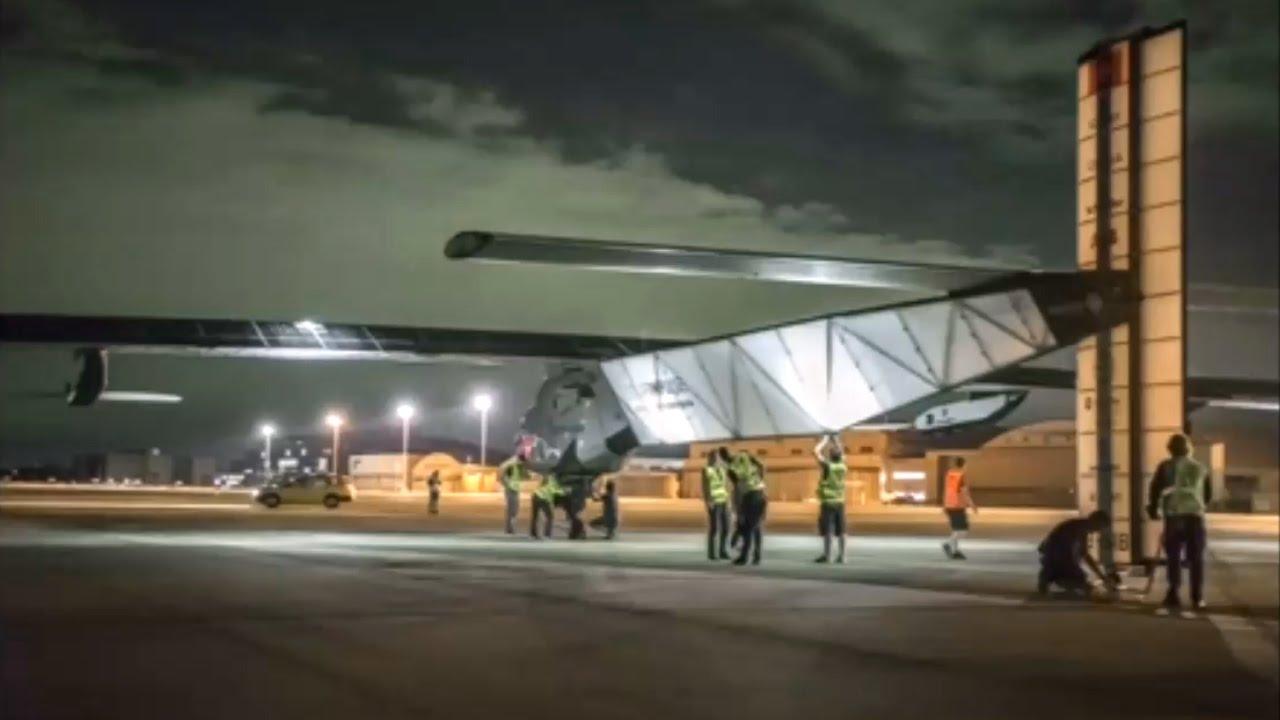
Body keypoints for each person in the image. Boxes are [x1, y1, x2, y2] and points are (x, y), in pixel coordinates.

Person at [1147, 433, 1212, 614]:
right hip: (1194, 516)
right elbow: (1208, 495)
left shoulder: (1165, 466)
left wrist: (1153, 509)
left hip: (1173, 516)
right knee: (1196, 558)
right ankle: (1197, 597)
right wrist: (1198, 506)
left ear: (1170, 449)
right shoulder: (1200, 468)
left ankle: (1173, 593)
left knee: (1173, 557)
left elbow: (1155, 489)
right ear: (1188, 448)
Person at [1037, 510, 1116, 596]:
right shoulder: (1079, 529)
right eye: (1099, 527)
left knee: (1081, 582)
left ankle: (1048, 579)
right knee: (1082, 583)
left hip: (1051, 560)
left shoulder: (1078, 526)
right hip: (1057, 561)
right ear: (1095, 522)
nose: (1098, 531)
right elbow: (1080, 554)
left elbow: (1084, 554)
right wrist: (1100, 577)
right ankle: (1053, 580)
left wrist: (1101, 577)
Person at [813, 434, 848, 564]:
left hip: (828, 502)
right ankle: (842, 556)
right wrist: (836, 439)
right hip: (840, 501)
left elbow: (815, 452)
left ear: (830, 456)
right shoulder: (843, 466)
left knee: (828, 530)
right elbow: (841, 451)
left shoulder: (828, 466)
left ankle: (827, 556)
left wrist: (825, 440)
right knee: (842, 530)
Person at [729, 449, 767, 566]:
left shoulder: (740, 478)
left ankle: (744, 557)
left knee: (748, 529)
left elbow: (740, 498)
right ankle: (757, 556)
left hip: (751, 498)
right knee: (756, 528)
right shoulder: (754, 470)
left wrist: (740, 514)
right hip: (761, 496)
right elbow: (762, 467)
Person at [941, 457, 977, 559]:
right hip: (957, 505)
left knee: (956, 530)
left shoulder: (949, 475)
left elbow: (946, 490)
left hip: (949, 505)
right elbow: (964, 492)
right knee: (963, 530)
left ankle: (955, 551)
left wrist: (944, 505)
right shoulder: (961, 476)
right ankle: (948, 544)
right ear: (963, 465)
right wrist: (972, 505)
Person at [702, 450, 732, 560]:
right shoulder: (707, 470)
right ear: (709, 458)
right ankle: (712, 553)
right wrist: (708, 501)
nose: (716, 459)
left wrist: (728, 500)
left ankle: (723, 551)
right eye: (714, 457)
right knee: (714, 529)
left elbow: (726, 485)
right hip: (714, 502)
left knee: (726, 528)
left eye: (717, 457)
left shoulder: (722, 470)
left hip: (724, 501)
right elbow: (705, 486)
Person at [497, 452, 530, 534]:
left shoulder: (519, 466)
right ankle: (510, 528)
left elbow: (525, 477)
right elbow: (502, 477)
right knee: (512, 509)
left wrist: (525, 471)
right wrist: (507, 484)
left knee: (514, 509)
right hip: (510, 490)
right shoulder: (511, 466)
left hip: (515, 490)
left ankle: (509, 528)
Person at [531, 473, 561, 539]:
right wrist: (564, 491)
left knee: (535, 516)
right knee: (550, 516)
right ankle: (547, 534)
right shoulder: (554, 481)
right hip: (543, 498)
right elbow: (554, 491)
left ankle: (533, 533)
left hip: (536, 495)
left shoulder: (549, 477)